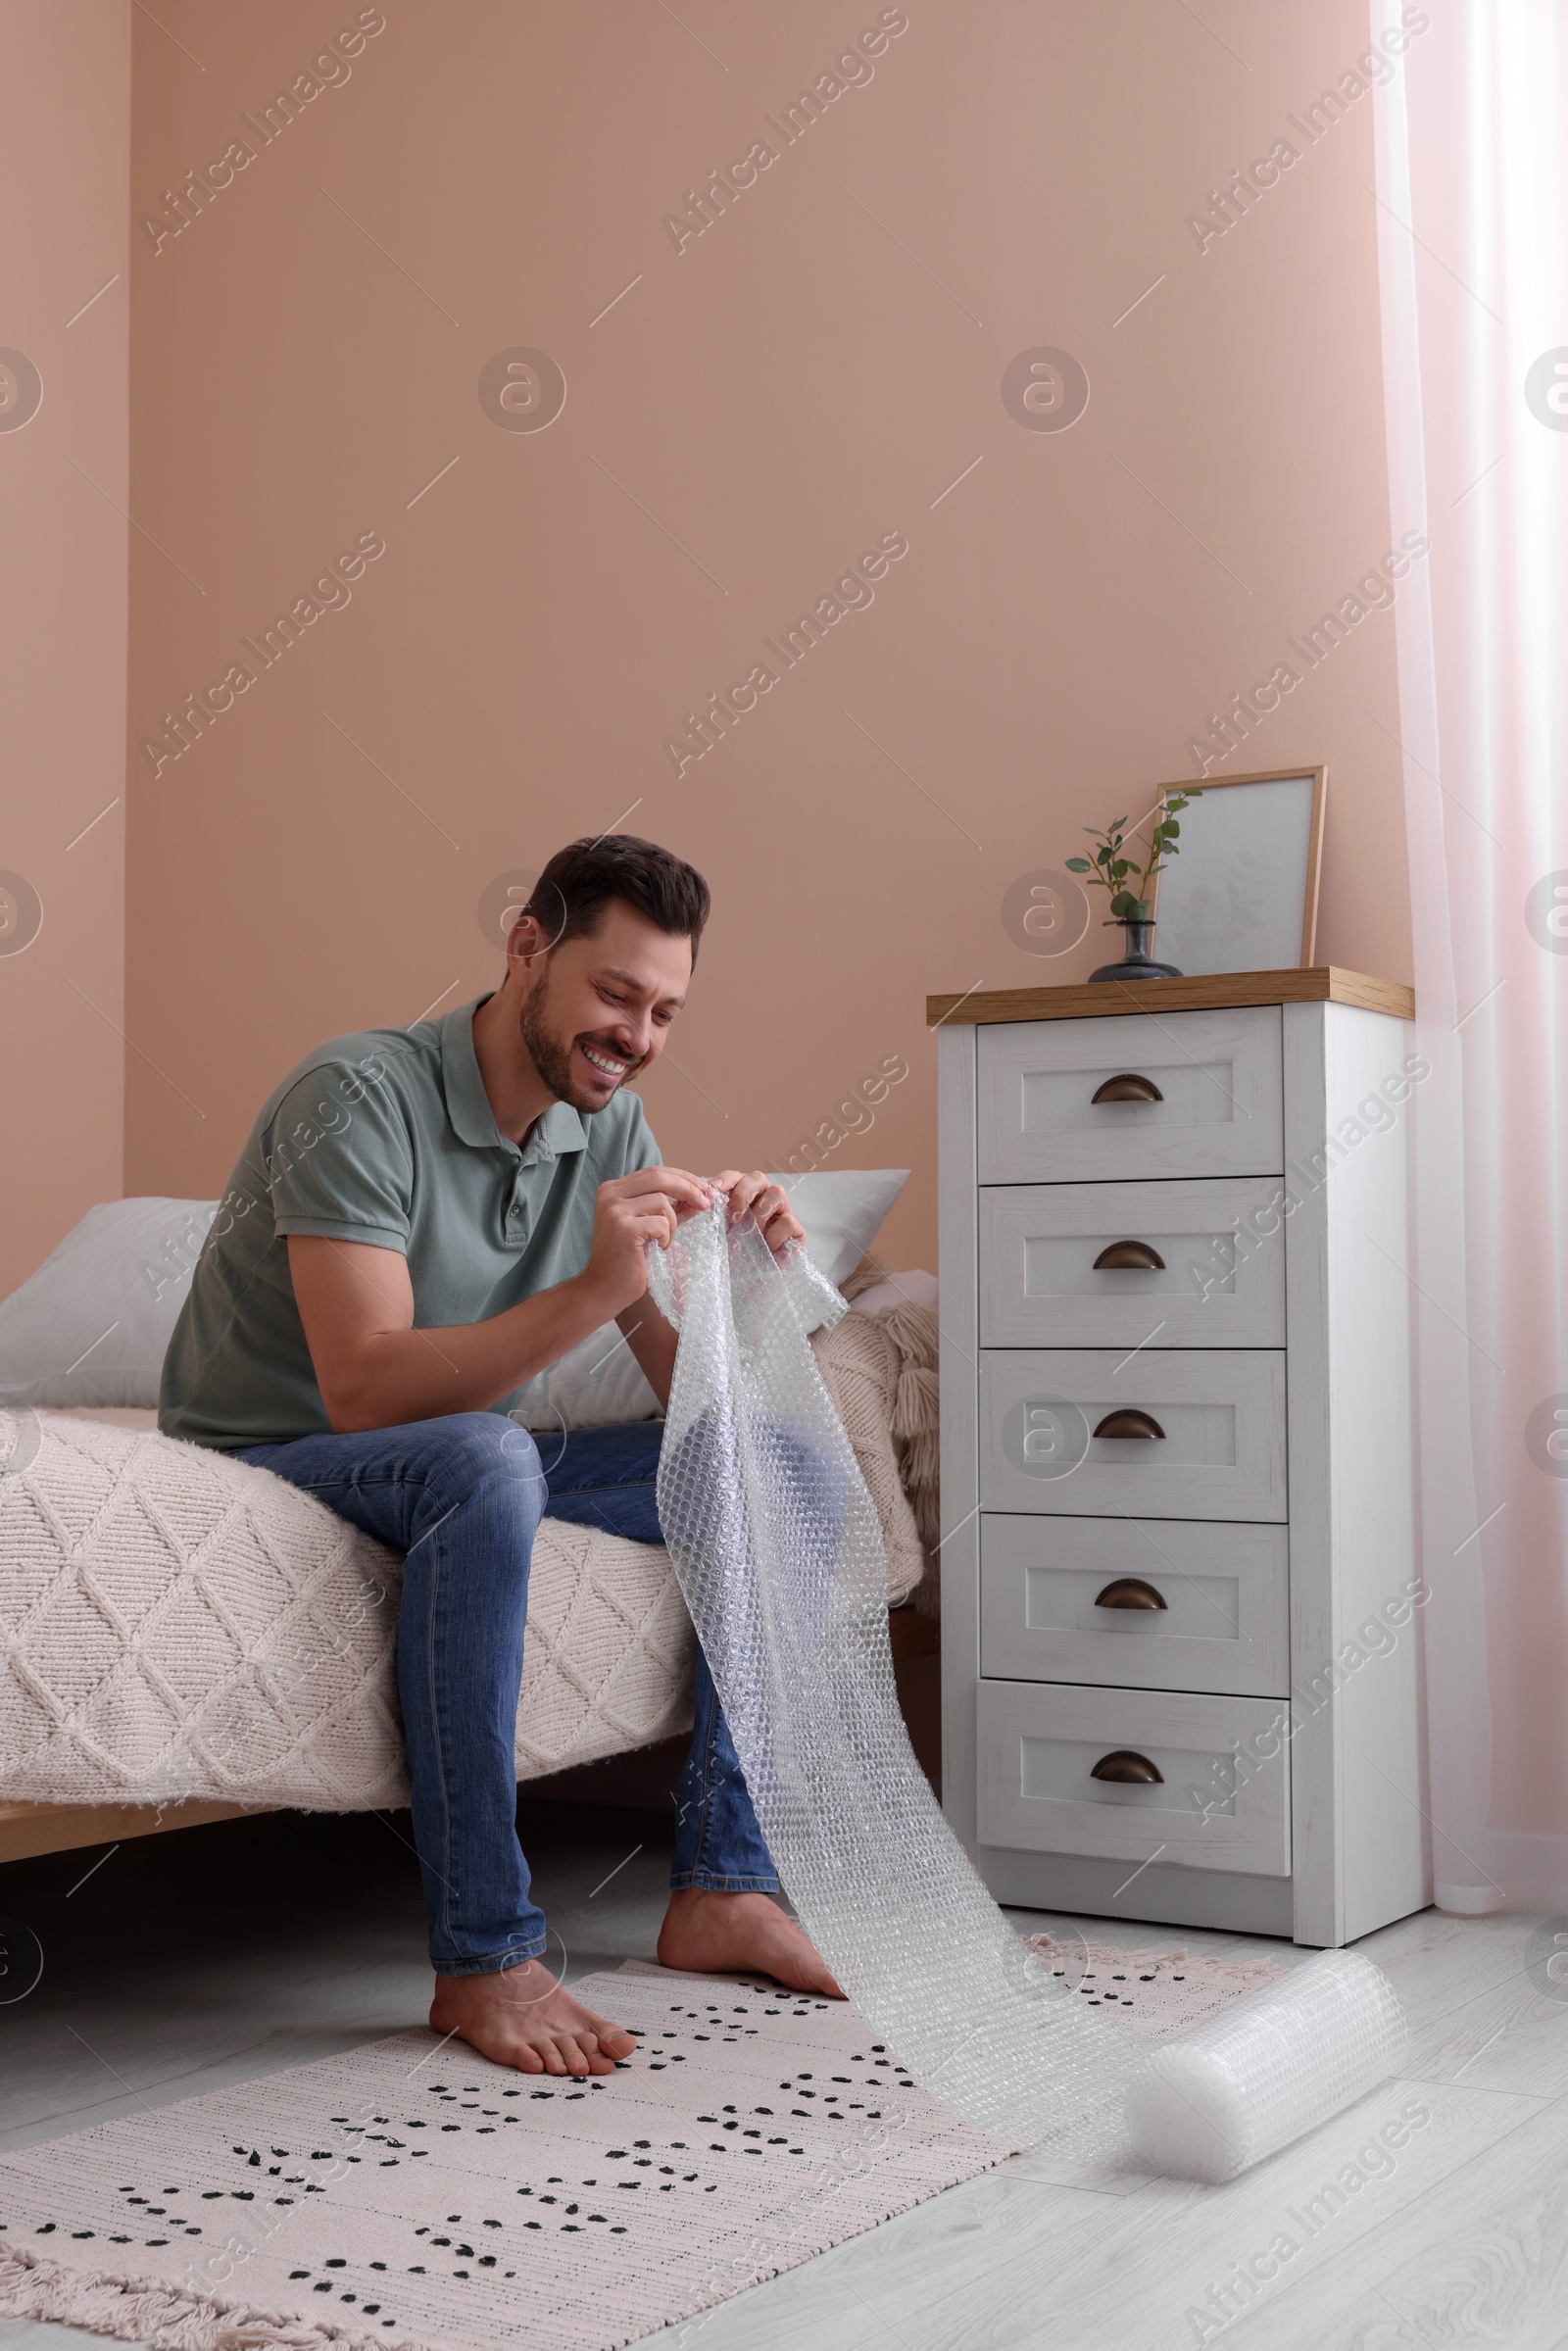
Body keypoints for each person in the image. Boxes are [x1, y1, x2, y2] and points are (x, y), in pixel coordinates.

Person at [160, 833, 842, 2078]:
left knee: (777, 1464)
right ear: (528, 946)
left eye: (663, 1010)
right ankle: (483, 1952)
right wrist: (595, 1284)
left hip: (459, 1449)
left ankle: (721, 1885)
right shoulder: (355, 1095)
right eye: (614, 993)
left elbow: (685, 1399)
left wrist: (736, 1273)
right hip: (273, 1447)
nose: (635, 1034)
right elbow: (363, 1385)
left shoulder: (609, 1118)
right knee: (487, 1460)